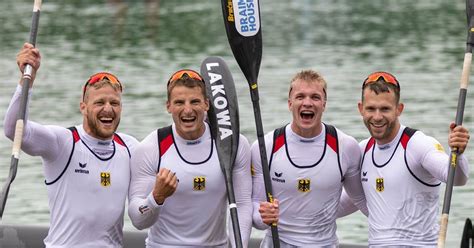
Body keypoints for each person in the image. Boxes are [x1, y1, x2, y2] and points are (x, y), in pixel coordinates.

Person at [3, 43, 138, 247]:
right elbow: (14, 129)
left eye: (115, 103)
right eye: (100, 103)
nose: (108, 109)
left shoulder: (129, 147)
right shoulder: (63, 142)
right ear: (83, 107)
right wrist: (26, 79)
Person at [341, 71, 470, 247]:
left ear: (399, 109)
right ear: (361, 109)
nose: (377, 117)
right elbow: (346, 202)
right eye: (371, 108)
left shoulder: (417, 144)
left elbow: (457, 178)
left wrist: (458, 154)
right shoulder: (362, 150)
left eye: (385, 109)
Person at [127, 69, 253, 247]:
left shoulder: (233, 144)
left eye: (195, 101)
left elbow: (242, 205)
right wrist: (156, 197)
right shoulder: (151, 147)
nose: (188, 110)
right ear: (168, 106)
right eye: (179, 102)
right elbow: (138, 220)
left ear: (206, 104)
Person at [251, 70, 368, 247]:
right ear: (290, 104)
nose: (307, 103)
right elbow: (253, 212)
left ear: (324, 104)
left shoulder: (345, 146)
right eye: (300, 97)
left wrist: (325, 212)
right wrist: (262, 217)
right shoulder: (266, 146)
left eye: (315, 97)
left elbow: (359, 199)